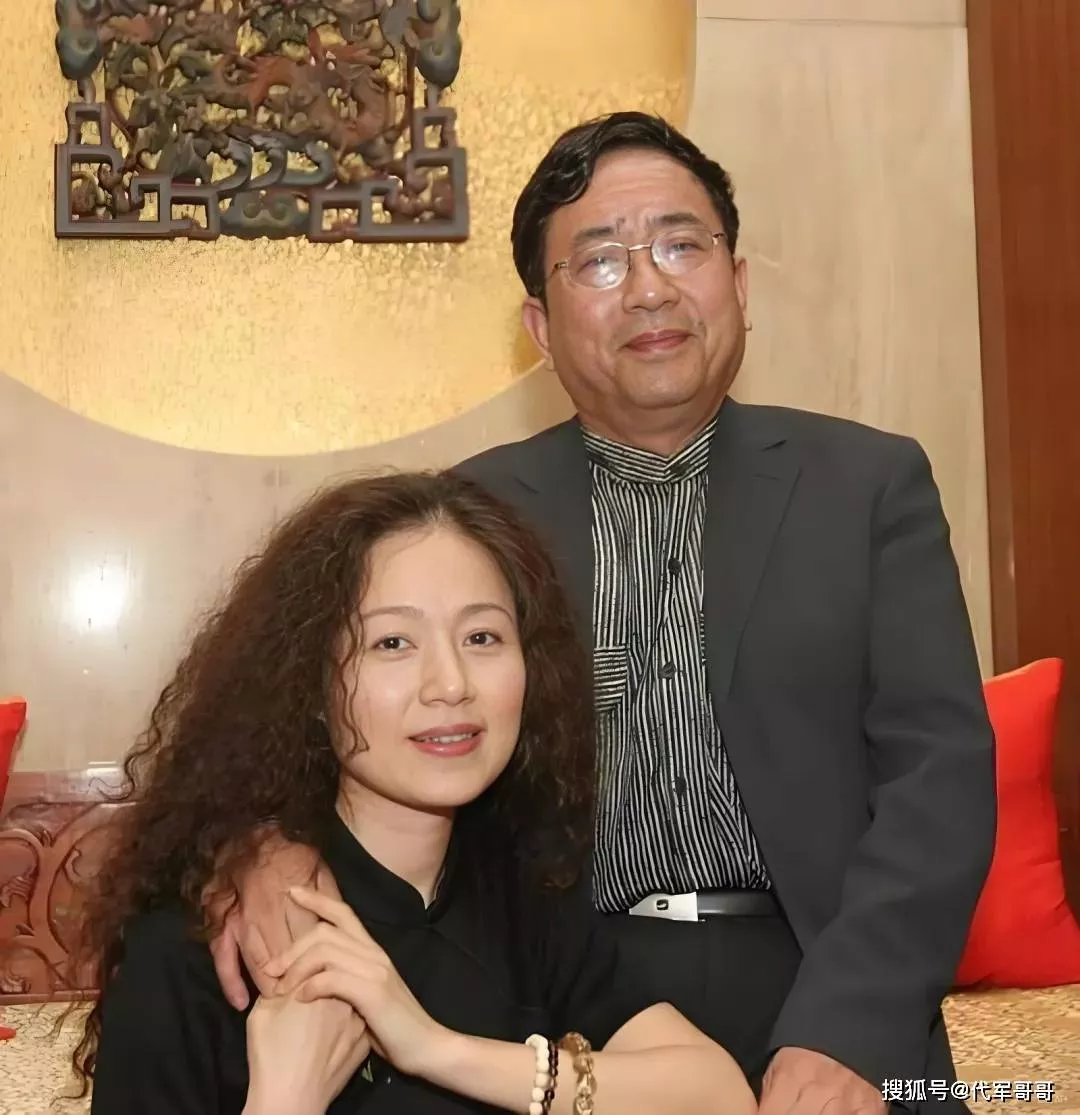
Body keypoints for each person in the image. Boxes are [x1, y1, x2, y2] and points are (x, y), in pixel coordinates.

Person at [210, 113, 998, 1115]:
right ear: (540, 328)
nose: (650, 287)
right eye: (600, 261)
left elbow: (939, 779)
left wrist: (850, 1031)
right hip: (559, 996)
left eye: (681, 245)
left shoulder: (867, 486)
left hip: (830, 981)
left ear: (738, 283)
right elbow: (322, 715)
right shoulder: (467, 517)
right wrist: (266, 846)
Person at [71, 472, 756, 1115]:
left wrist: (431, 1046)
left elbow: (719, 1096)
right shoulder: (213, 940)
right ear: (309, 685)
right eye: (393, 642)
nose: (451, 683)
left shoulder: (520, 897)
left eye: (482, 636)